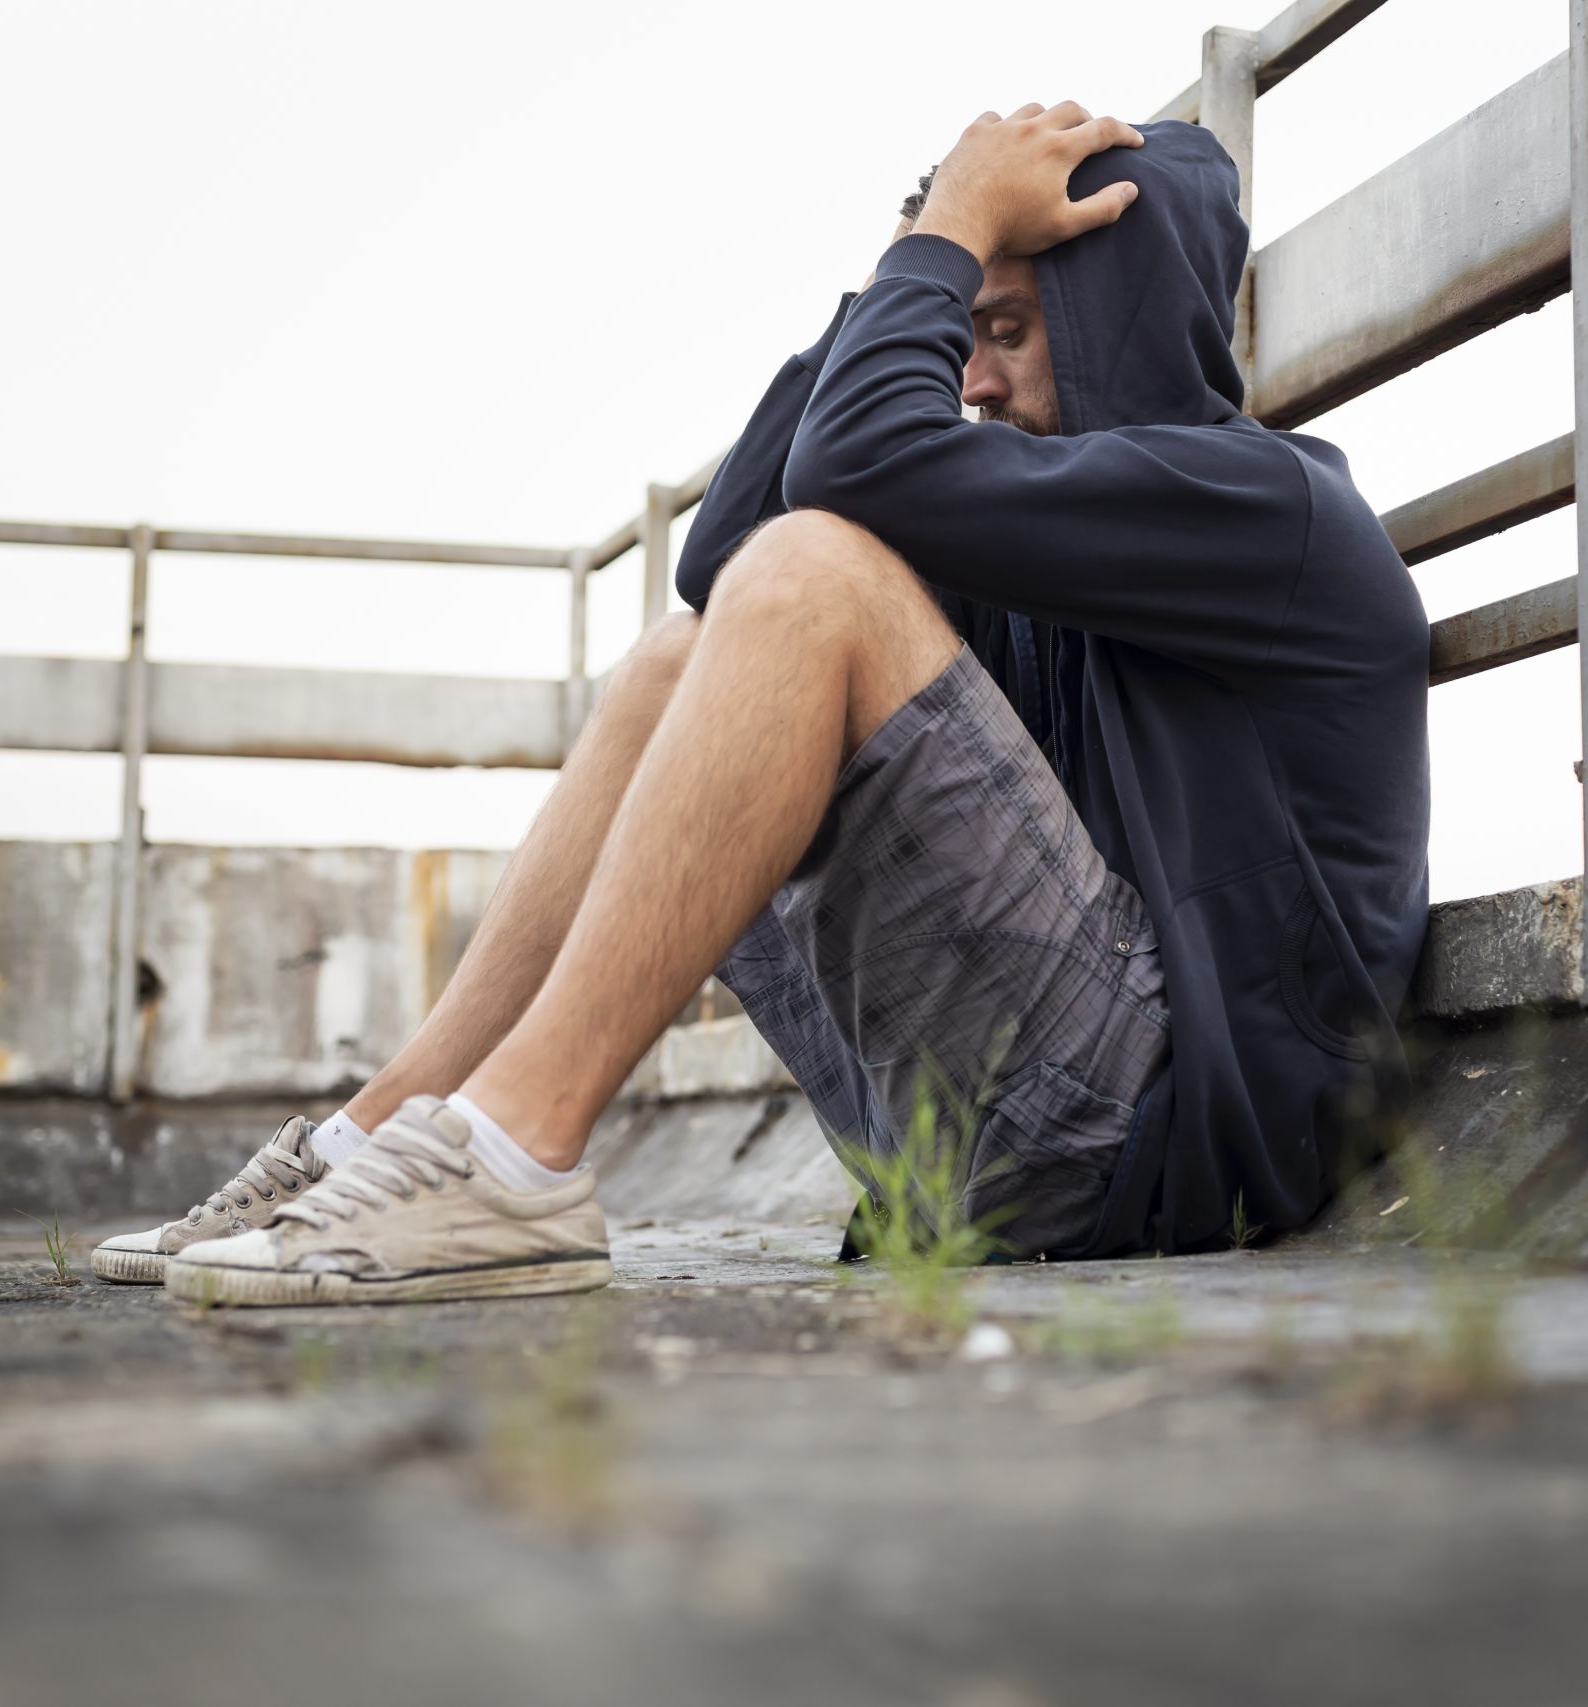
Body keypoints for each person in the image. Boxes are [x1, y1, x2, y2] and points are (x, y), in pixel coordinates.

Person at [92, 101, 1429, 1306]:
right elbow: (726, 556)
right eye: (963, 337)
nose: (972, 381)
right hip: (997, 1133)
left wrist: (958, 227)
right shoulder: (1044, 551)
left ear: (1119, 321)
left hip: (1182, 1133)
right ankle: (388, 1133)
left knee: (818, 574)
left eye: (1009, 333)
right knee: (685, 655)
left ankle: (513, 1153)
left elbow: (824, 516)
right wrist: (921, 250)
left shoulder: (1265, 507)